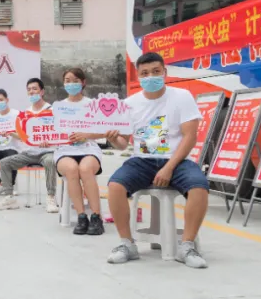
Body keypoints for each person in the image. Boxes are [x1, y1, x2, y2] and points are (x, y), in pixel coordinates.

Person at [105, 52, 209, 269]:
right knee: (115, 186)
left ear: (164, 72)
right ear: (138, 76)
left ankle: (187, 246)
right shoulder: (129, 104)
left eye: (155, 71)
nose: (150, 76)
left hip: (177, 160)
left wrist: (169, 167)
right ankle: (127, 244)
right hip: (142, 160)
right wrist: (114, 140)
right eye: (144, 73)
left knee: (199, 186)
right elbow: (123, 144)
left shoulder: (182, 96)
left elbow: (190, 137)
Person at [0, 78, 59, 213]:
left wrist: (50, 140)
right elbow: (24, 137)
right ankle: (9, 198)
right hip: (28, 153)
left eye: (34, 89)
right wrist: (11, 133)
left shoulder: (52, 110)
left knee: (50, 161)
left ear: (42, 91)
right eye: (29, 90)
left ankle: (51, 197)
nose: (31, 92)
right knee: (4, 163)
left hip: (47, 151)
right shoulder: (26, 113)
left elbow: (59, 133)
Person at [53, 68, 105, 235]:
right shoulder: (58, 107)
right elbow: (50, 131)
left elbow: (105, 131)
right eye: (67, 81)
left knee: (85, 169)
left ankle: (96, 217)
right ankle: (82, 216)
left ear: (83, 83)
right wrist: (46, 140)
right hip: (64, 150)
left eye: (75, 80)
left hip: (89, 148)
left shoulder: (94, 105)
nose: (71, 84)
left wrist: (87, 135)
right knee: (71, 169)